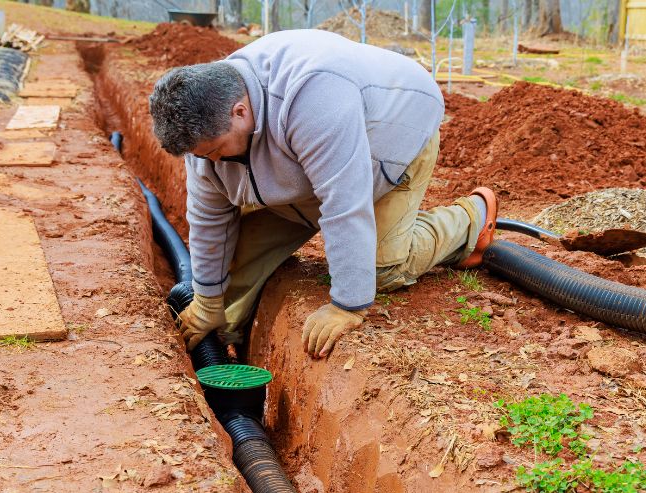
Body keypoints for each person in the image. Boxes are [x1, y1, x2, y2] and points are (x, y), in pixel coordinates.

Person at [149, 29, 497, 360]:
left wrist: (347, 305)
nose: (211, 163)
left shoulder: (312, 96)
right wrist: (209, 302)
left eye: (214, 151)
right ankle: (228, 350)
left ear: (240, 113)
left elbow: (345, 204)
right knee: (233, 266)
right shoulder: (208, 128)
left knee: (380, 270)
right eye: (201, 156)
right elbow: (209, 217)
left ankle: (469, 218)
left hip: (390, 138)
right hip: (307, 167)